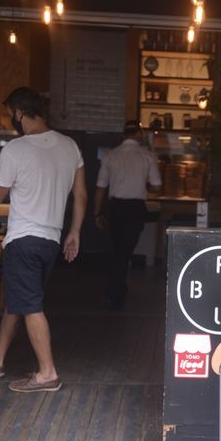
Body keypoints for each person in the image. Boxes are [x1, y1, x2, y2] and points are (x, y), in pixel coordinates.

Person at [0, 87, 87, 393]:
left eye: (10, 115)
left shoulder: (15, 149)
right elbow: (80, 194)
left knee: (30, 305)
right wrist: (75, 231)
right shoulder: (70, 146)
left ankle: (47, 373)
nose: (11, 120)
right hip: (50, 241)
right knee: (19, 300)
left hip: (23, 240)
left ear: (19, 113)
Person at [94, 120, 162, 310]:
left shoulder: (110, 155)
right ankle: (114, 294)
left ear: (124, 134)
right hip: (135, 209)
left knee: (118, 250)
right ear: (140, 134)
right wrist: (144, 185)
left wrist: (97, 213)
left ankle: (117, 290)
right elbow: (157, 186)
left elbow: (100, 187)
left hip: (115, 207)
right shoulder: (147, 156)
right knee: (124, 251)